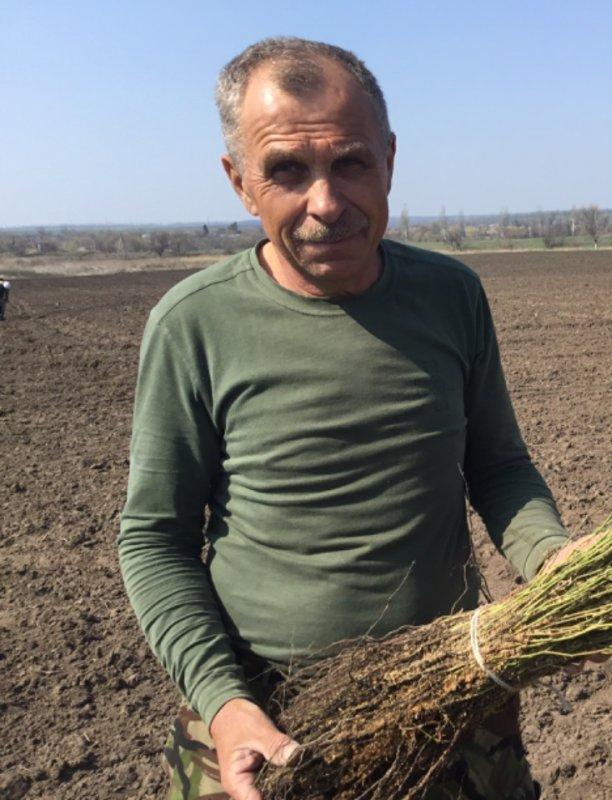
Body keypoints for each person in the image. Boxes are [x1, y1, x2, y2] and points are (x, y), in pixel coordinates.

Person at [118, 37, 573, 800]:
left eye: (350, 162)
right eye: (287, 171)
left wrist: (552, 559)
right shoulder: (191, 326)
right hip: (271, 718)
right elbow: (155, 537)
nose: (326, 202)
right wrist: (225, 705)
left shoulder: (451, 296)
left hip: (452, 693)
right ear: (239, 183)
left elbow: (496, 467)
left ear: (389, 160)